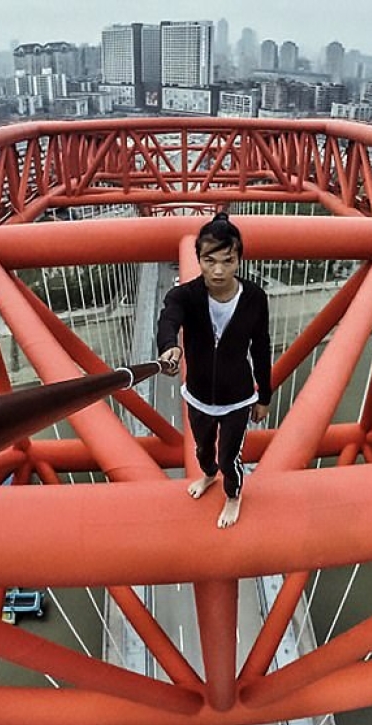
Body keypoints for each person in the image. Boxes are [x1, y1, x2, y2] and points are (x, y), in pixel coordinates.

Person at [157, 212, 272, 528]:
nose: (218, 270)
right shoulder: (185, 296)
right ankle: (208, 476)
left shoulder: (254, 298)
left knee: (228, 457)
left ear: (239, 260)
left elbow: (261, 347)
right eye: (209, 261)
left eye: (228, 261)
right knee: (203, 451)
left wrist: (265, 397)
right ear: (198, 260)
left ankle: (233, 494)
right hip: (197, 396)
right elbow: (169, 318)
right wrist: (169, 345)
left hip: (238, 398)